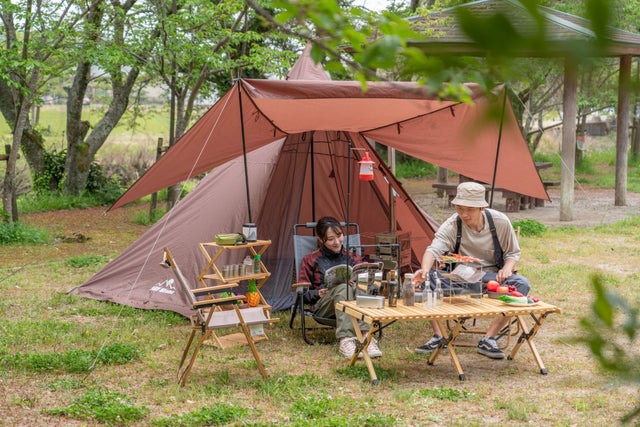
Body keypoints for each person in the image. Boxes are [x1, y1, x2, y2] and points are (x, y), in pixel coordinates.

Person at [413, 182, 530, 359]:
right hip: (460, 279)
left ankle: (489, 338)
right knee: (427, 281)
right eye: (460, 209)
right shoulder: (453, 224)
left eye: (469, 209)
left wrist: (507, 268)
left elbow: (513, 253)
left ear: (482, 208)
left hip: (490, 279)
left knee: (521, 284)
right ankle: (439, 336)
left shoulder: (499, 222)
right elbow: (433, 250)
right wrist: (424, 270)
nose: (464, 214)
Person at [299, 216, 382, 359]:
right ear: (321, 239)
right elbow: (302, 294)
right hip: (325, 307)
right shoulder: (310, 260)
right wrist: (317, 293)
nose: (337, 242)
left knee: (361, 283)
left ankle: (365, 336)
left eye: (339, 236)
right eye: (331, 239)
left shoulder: (354, 257)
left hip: (353, 303)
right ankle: (346, 339)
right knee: (343, 288)